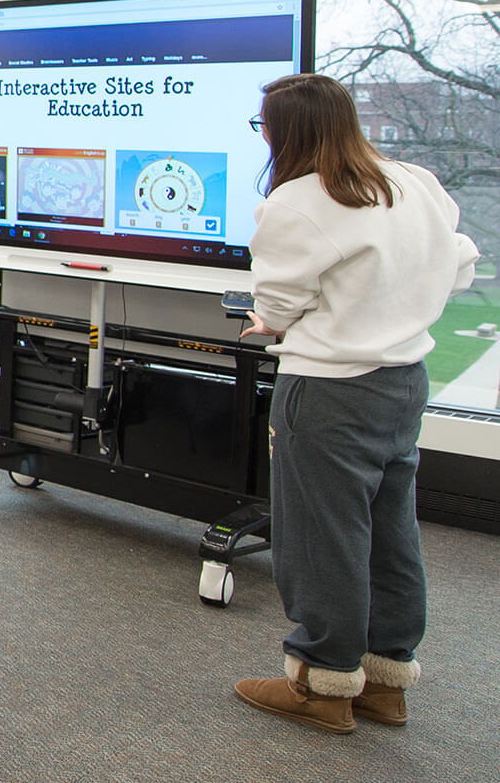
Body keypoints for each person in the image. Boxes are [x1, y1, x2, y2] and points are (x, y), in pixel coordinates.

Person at [230, 73, 480, 734]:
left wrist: (267, 320)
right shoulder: (413, 181)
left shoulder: (299, 201)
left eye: (264, 127)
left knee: (323, 536)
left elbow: (280, 304)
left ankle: (322, 682)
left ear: (286, 131)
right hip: (402, 384)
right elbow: (459, 263)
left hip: (330, 390)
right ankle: (384, 680)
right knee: (391, 529)